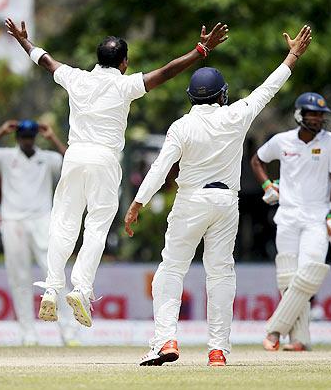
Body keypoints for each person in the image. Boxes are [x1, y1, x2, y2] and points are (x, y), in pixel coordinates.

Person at [5, 18, 229, 329]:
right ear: (123, 62)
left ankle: (52, 288)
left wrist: (22, 40)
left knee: (63, 223)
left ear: (98, 59)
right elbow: (165, 72)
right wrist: (201, 50)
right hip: (104, 160)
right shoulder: (125, 85)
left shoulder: (75, 78)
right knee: (96, 227)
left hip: (74, 156)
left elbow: (44, 59)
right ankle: (81, 289)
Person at [124, 25, 313, 367]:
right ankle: (217, 350)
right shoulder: (236, 115)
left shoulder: (181, 126)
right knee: (221, 274)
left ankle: (165, 339)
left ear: (191, 97)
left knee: (171, 270)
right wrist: (293, 55)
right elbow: (268, 89)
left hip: (191, 202)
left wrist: (137, 203)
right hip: (226, 204)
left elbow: (159, 167)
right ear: (222, 94)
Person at [251, 92, 331, 351]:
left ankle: (274, 329)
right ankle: (299, 339)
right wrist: (267, 184)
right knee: (287, 278)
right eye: (312, 113)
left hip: (317, 217)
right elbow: (257, 160)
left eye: (320, 114)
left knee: (309, 273)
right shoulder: (283, 141)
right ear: (300, 115)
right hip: (288, 216)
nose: (316, 118)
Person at [0, 119, 79, 345]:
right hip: (13, 221)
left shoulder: (47, 158)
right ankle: (27, 333)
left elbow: (73, 162)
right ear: (17, 137)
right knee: (19, 278)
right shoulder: (5, 156)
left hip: (43, 220)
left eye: (31, 136)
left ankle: (68, 331)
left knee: (55, 274)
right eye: (23, 136)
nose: (27, 140)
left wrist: (52, 137)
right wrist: (0, 130)